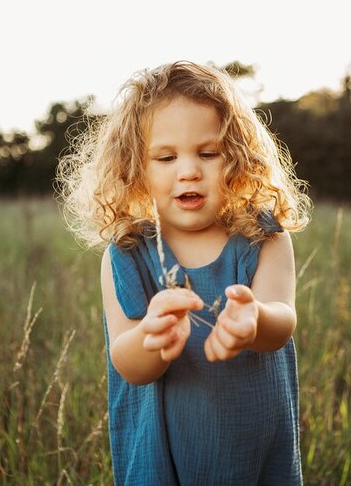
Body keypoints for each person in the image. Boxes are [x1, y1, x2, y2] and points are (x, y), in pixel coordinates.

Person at [57, 61, 311, 485]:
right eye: (166, 157)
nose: (188, 170)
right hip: (163, 460)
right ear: (135, 168)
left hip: (253, 453)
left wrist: (255, 319)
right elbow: (128, 363)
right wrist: (151, 338)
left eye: (208, 153)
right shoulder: (127, 255)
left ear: (237, 158)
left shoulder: (262, 237)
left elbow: (282, 319)